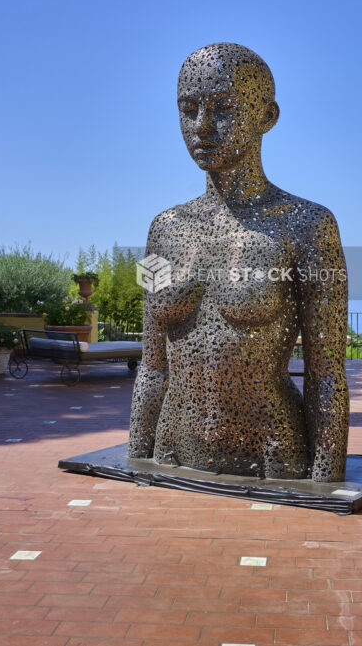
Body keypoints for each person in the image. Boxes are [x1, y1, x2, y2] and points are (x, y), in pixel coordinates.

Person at [128, 43, 349, 482]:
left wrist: (327, 481)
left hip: (274, 455)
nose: (201, 126)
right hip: (171, 452)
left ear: (267, 117)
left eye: (224, 109)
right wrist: (135, 458)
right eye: (188, 109)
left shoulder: (307, 226)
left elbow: (327, 375)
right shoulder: (162, 230)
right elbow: (152, 366)